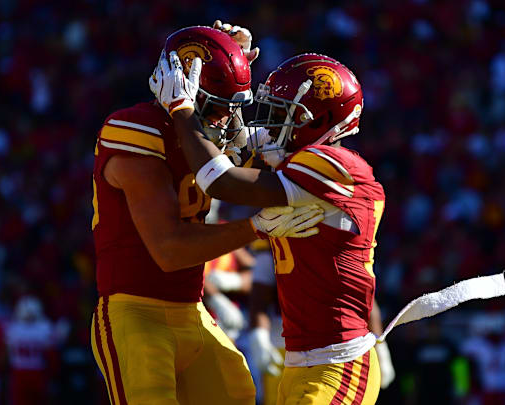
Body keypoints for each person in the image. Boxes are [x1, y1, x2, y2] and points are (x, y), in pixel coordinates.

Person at [90, 25, 323, 405]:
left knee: (238, 395)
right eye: (218, 104)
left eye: (234, 106)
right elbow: (169, 250)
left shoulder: (200, 132)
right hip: (135, 313)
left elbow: (236, 161)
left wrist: (231, 64)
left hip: (192, 310)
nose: (225, 117)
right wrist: (257, 227)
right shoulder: (136, 129)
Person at [153, 46, 388, 403]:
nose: (273, 123)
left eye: (285, 114)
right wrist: (229, 68)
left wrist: (182, 108)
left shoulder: (336, 165)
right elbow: (234, 144)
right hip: (300, 361)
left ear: (321, 121)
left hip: (339, 361)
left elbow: (221, 180)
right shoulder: (301, 166)